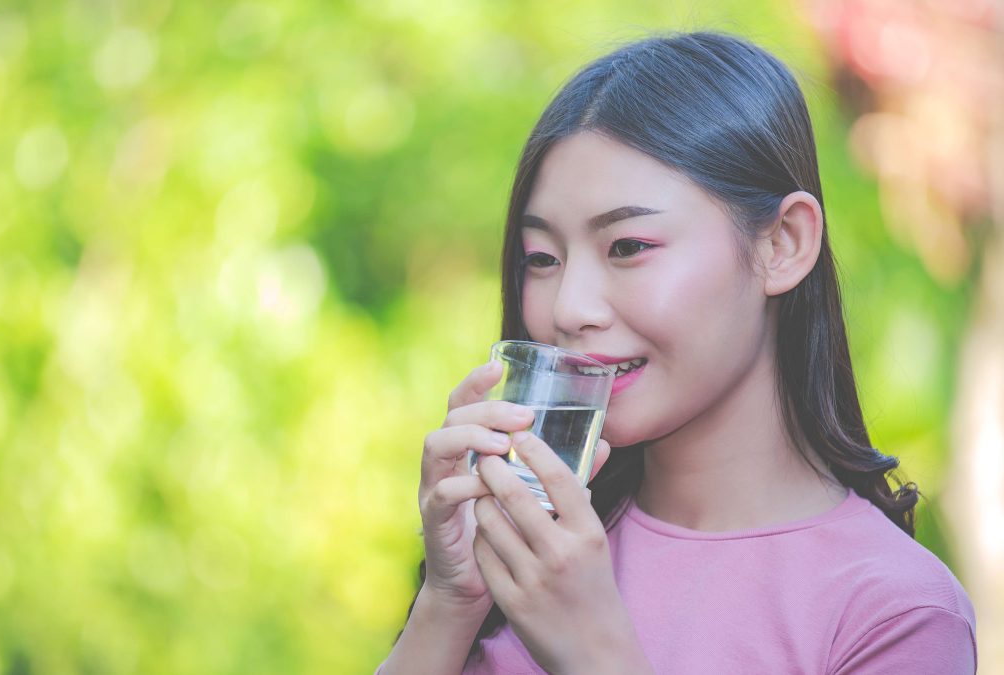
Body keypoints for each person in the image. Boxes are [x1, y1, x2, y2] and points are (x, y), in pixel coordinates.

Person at [376, 30, 977, 674]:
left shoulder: (896, 613)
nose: (569, 309)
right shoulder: (524, 551)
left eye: (628, 247)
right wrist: (448, 602)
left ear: (783, 244)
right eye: (542, 259)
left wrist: (596, 656)